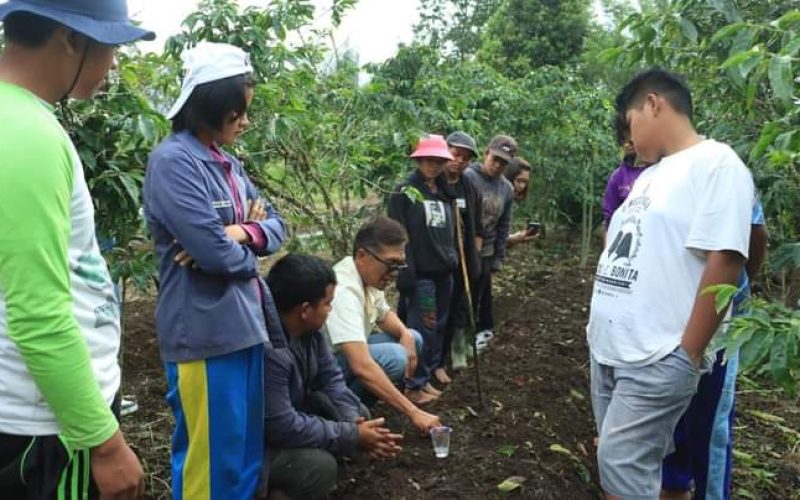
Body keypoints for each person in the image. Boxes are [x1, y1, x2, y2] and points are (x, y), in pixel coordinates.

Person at [0, 1, 153, 498]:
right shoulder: (27, 134)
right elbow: (38, 312)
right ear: (70, 39)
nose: (112, 66)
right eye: (111, 47)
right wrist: (104, 443)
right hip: (44, 426)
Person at [588, 68, 755, 500]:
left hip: (657, 354)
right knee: (623, 465)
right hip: (612, 352)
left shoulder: (717, 163)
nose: (629, 141)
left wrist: (688, 354)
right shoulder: (649, 176)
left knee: (621, 471)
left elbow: (728, 256)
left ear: (652, 103)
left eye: (628, 124)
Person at [143, 42, 287, 499]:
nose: (245, 121)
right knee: (212, 463)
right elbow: (213, 254)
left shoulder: (228, 164)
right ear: (214, 104)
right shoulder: (174, 162)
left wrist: (240, 233)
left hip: (245, 326)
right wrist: (236, 248)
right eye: (238, 111)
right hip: (204, 333)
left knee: (244, 457)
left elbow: (278, 226)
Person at [262, 254, 403, 500]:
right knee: (319, 467)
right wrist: (350, 435)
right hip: (258, 446)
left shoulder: (310, 333)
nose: (331, 310)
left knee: (358, 412)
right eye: (328, 303)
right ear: (305, 309)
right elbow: (281, 427)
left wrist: (353, 422)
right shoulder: (270, 353)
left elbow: (331, 380)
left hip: (291, 418)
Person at [661, 200, 768, 500]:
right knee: (672, 409)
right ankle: (673, 484)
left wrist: (737, 292)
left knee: (710, 422)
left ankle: (710, 493)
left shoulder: (730, 175)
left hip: (720, 319)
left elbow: (755, 237)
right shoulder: (663, 175)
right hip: (671, 315)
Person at [324, 217, 442, 432]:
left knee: (412, 337)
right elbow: (360, 364)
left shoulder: (367, 277)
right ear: (362, 256)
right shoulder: (344, 290)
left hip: (346, 357)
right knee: (395, 357)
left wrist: (405, 335)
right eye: (391, 265)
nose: (395, 273)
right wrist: (413, 413)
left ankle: (361, 407)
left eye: (400, 265)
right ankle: (345, 417)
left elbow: (384, 314)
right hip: (324, 372)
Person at [388, 134, 459, 399]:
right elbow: (399, 233)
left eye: (439, 160)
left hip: (444, 271)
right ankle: (414, 385)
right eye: (429, 160)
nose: (434, 165)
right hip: (421, 273)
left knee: (437, 327)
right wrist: (405, 269)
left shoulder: (444, 192)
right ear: (418, 160)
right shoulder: (405, 191)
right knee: (423, 328)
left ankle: (425, 378)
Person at [463, 135, 518, 347]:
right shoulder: (468, 177)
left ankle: (475, 336)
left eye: (503, 163)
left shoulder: (506, 189)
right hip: (464, 249)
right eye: (495, 159)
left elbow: (504, 226)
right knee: (460, 299)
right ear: (486, 153)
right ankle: (455, 340)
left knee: (480, 296)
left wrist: (498, 259)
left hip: (486, 251)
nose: (497, 165)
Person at [441, 131, 484, 374]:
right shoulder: (435, 182)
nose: (459, 161)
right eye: (455, 154)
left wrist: (475, 257)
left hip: (464, 258)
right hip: (439, 259)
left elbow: (476, 225)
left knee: (460, 304)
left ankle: (457, 347)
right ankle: (438, 356)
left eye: (465, 158)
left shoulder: (468, 185)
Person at [602, 112, 652, 239]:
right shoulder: (617, 177)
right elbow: (609, 220)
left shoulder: (659, 170)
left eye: (631, 140)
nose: (628, 145)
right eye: (623, 141)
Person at [504, 157, 539, 247]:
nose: (522, 186)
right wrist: (512, 239)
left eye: (525, 182)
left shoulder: (512, 202)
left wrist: (517, 238)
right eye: (519, 181)